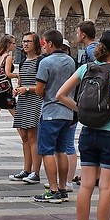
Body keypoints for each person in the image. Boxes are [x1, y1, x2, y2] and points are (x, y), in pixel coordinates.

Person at [57, 29, 110, 220]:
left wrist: (82, 111)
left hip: (88, 132)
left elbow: (61, 94)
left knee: (86, 186)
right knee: (106, 187)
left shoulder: (85, 68)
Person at [32, 30, 80, 203]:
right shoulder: (71, 61)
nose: (43, 46)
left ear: (50, 44)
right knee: (62, 150)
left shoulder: (46, 62)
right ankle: (62, 187)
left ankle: (52, 190)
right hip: (68, 112)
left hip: (51, 111)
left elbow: (39, 90)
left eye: (44, 43)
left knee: (47, 151)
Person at [10, 33, 43, 186]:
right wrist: (17, 89)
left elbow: (43, 86)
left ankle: (35, 172)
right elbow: (21, 80)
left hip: (34, 100)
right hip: (23, 100)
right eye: (23, 41)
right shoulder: (23, 61)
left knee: (32, 137)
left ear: (36, 43)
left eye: (29, 41)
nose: (25, 44)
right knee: (24, 136)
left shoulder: (40, 61)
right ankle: (26, 169)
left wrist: (27, 89)